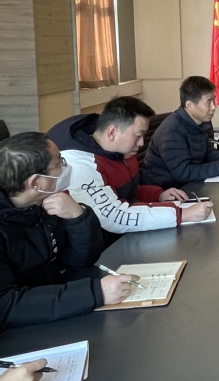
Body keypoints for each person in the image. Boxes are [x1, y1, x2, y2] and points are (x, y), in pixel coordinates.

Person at [0, 133, 136, 330]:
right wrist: (95, 293)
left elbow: (78, 261)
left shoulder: (44, 203)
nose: (66, 167)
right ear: (36, 183)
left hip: (54, 308)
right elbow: (7, 306)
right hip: (21, 330)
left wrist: (78, 218)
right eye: (59, 163)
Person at [49, 96, 214, 243]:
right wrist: (182, 214)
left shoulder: (120, 152)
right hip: (105, 247)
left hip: (127, 237)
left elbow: (127, 192)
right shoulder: (80, 166)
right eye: (138, 135)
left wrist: (158, 195)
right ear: (112, 132)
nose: (142, 143)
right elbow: (115, 217)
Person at [141, 76, 219, 188]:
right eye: (208, 102)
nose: (213, 107)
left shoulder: (199, 122)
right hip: (166, 190)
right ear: (189, 105)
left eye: (213, 100)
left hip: (187, 184)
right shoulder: (172, 131)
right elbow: (184, 173)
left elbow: (208, 152)